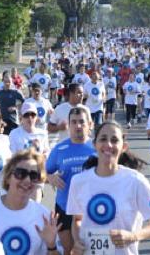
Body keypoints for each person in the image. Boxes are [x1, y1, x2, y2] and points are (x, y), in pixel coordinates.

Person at [67, 121, 150, 255]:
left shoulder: (135, 181)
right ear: (94, 144)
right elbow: (77, 220)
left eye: (114, 140)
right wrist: (78, 241)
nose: (108, 145)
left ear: (123, 147)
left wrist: (133, 236)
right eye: (103, 139)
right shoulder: (78, 181)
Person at [0, 150, 60, 255]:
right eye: (21, 174)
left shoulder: (45, 218)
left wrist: (51, 246)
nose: (27, 180)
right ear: (7, 177)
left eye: (34, 176)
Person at [46, 107, 97, 254]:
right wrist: (50, 177)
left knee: (88, 249)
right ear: (69, 125)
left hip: (90, 207)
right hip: (64, 206)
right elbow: (43, 172)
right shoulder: (60, 149)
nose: (78, 126)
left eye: (82, 122)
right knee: (68, 250)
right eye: (73, 122)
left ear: (90, 124)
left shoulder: (97, 147)